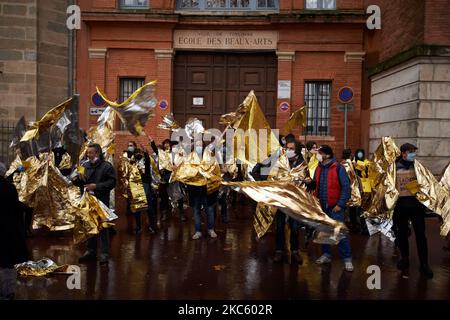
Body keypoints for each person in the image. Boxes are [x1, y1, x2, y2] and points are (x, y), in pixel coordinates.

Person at [307, 145, 354, 272]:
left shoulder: (338, 168)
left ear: (327, 155)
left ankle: (347, 259)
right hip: (322, 207)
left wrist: (340, 204)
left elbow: (346, 188)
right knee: (324, 232)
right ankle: (327, 255)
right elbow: (315, 185)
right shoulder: (318, 168)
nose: (317, 155)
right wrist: (309, 182)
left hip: (335, 208)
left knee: (340, 233)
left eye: (320, 153)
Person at [393, 143, 433, 278]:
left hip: (416, 207)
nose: (413, 154)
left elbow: (427, 184)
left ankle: (424, 264)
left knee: (421, 235)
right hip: (401, 207)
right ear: (403, 153)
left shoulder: (418, 167)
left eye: (414, 152)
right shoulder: (394, 168)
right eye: (410, 152)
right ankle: (405, 258)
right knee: (402, 234)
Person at [75, 143, 116, 265]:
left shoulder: (106, 166)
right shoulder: (84, 165)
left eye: (90, 152)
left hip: (101, 200)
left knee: (103, 227)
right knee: (90, 226)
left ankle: (104, 253)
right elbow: (78, 183)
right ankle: (90, 251)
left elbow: (112, 182)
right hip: (88, 200)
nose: (88, 154)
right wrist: (77, 178)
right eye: (87, 153)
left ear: (97, 153)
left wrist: (96, 186)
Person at [0, 162, 29, 299]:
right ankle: (8, 291)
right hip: (7, 231)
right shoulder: (9, 187)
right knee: (7, 263)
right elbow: (15, 206)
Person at [273, 140, 305, 264]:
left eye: (291, 148)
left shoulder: (302, 163)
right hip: (281, 200)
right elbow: (274, 176)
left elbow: (304, 180)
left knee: (295, 227)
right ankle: (279, 251)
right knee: (280, 227)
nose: (288, 150)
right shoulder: (281, 161)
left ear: (296, 150)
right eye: (287, 148)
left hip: (295, 201)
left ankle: (295, 251)